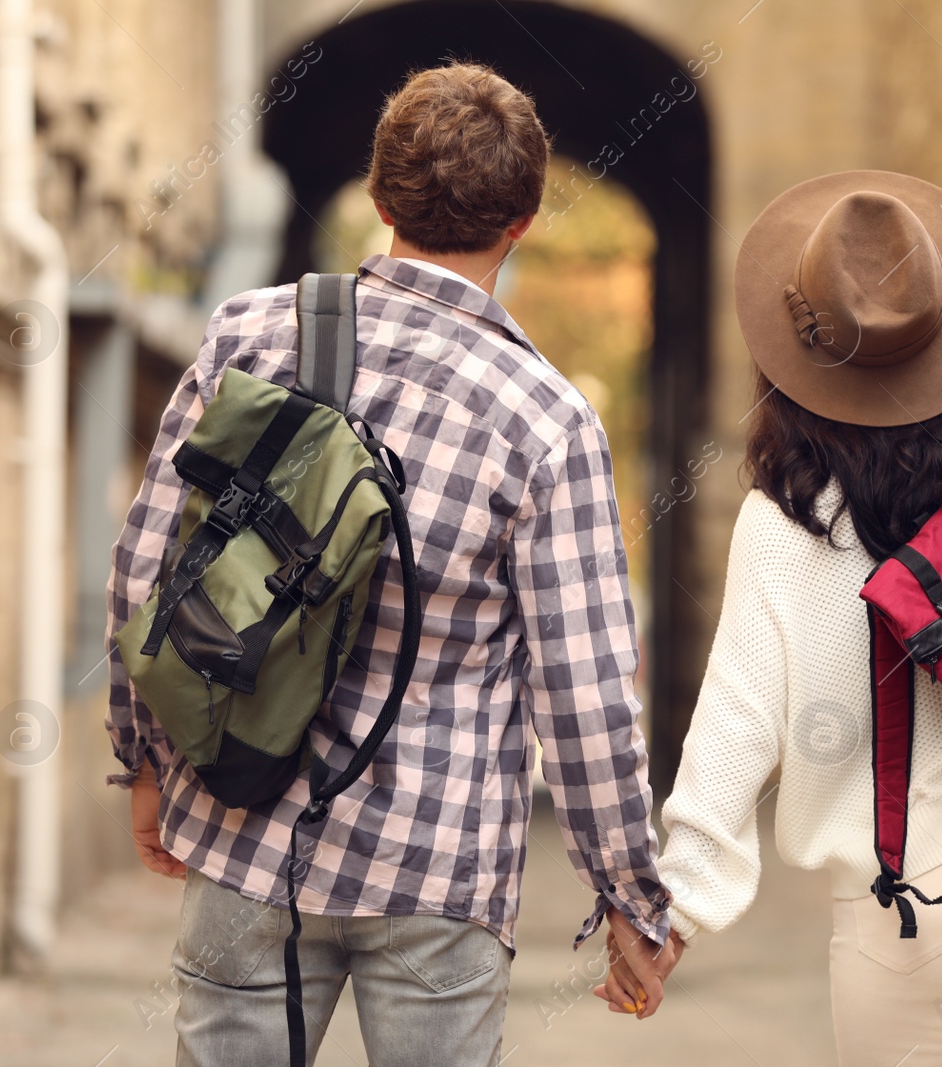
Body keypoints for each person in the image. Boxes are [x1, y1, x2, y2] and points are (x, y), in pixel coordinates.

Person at [106, 63, 680, 1067]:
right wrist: (629, 893)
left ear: (377, 202)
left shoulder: (249, 334)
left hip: (245, 826)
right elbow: (584, 699)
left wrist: (143, 758)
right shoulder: (544, 419)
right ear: (526, 220)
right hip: (435, 864)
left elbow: (148, 566)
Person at [628, 172, 942, 1064]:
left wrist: (676, 913)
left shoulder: (788, 520)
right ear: (938, 335)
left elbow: (738, 725)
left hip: (911, 916)